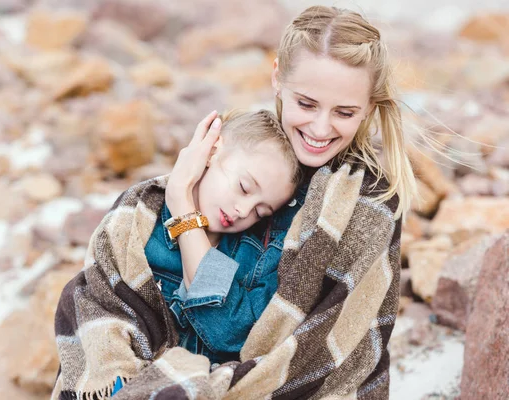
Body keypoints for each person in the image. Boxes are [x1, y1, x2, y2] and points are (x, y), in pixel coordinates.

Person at [53, 6, 417, 400]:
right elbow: (109, 295)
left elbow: (235, 333)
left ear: (368, 108)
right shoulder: (250, 160)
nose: (320, 128)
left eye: (345, 112)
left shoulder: (364, 207)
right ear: (278, 77)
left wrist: (184, 211)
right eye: (307, 104)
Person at [144, 109, 304, 365]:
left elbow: (233, 333)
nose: (243, 211)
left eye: (260, 211)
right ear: (211, 150)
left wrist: (181, 199)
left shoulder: (256, 260)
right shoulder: (140, 217)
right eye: (244, 187)